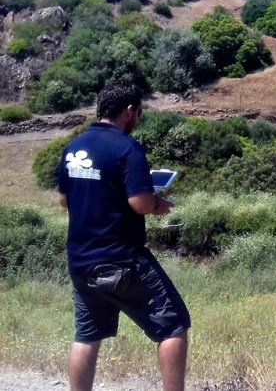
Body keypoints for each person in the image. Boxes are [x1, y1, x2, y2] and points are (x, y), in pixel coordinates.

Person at [57, 83, 190, 391]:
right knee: (173, 325)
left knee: (86, 336)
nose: (138, 119)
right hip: (122, 260)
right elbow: (140, 203)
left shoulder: (75, 146)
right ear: (129, 111)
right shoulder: (128, 148)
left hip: (81, 262)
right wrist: (160, 205)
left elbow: (64, 200)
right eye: (139, 113)